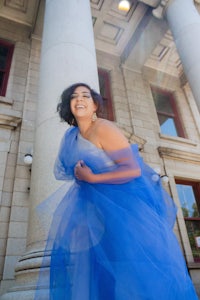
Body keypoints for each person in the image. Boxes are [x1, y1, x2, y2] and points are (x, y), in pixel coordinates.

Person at [35, 83, 199, 300]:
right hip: (91, 212)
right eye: (74, 96)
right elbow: (69, 170)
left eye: (86, 95)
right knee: (99, 273)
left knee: (131, 273)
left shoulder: (104, 128)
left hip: (123, 209)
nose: (79, 99)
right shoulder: (70, 137)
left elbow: (131, 169)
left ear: (95, 105)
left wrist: (93, 177)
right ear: (68, 105)